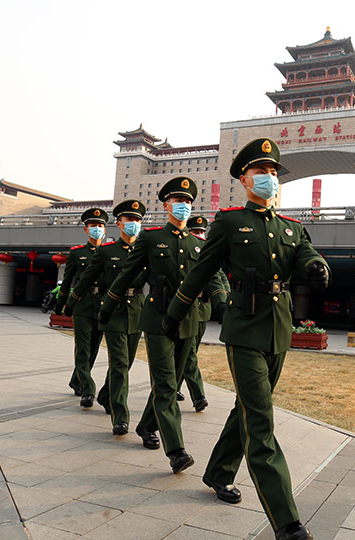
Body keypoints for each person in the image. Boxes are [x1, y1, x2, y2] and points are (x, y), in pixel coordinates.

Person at [162, 138, 329, 540]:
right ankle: (287, 521)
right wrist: (175, 313)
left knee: (251, 407)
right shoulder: (229, 222)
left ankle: (219, 471)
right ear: (243, 178)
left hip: (279, 329)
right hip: (244, 328)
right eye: (261, 172)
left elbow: (306, 254)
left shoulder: (291, 227)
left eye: (273, 173)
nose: (270, 179)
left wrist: (318, 266)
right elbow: (201, 272)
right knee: (261, 419)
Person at [99, 177, 225, 474]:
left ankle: (145, 426)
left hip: (189, 320)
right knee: (166, 384)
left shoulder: (199, 244)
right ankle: (176, 450)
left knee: (176, 380)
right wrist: (107, 306)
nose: (183, 206)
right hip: (157, 320)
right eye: (178, 201)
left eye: (188, 202)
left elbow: (213, 275)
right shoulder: (151, 239)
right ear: (166, 205)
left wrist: (222, 301)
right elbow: (127, 274)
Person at [66, 199, 147, 435]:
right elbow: (85, 279)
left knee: (127, 363)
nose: (134, 224)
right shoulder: (106, 252)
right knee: (119, 364)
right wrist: (70, 303)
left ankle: (104, 395)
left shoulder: (146, 249)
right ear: (119, 223)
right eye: (130, 220)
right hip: (112, 311)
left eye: (138, 220)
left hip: (137, 311)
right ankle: (120, 415)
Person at [176, 215, 229, 413]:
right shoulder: (186, 250)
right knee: (189, 354)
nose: (200, 235)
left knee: (190, 352)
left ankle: (175, 386)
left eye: (202, 232)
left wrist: (223, 300)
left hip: (203, 310)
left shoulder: (209, 252)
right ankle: (198, 395)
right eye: (196, 232)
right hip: (187, 309)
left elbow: (220, 276)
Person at [55, 207, 108, 407]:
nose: (97, 229)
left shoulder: (109, 252)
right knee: (83, 349)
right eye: (93, 225)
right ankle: (88, 389)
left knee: (94, 348)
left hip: (102, 304)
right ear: (86, 230)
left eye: (100, 225)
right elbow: (67, 281)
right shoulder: (77, 253)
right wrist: (62, 304)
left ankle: (76, 379)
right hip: (83, 305)